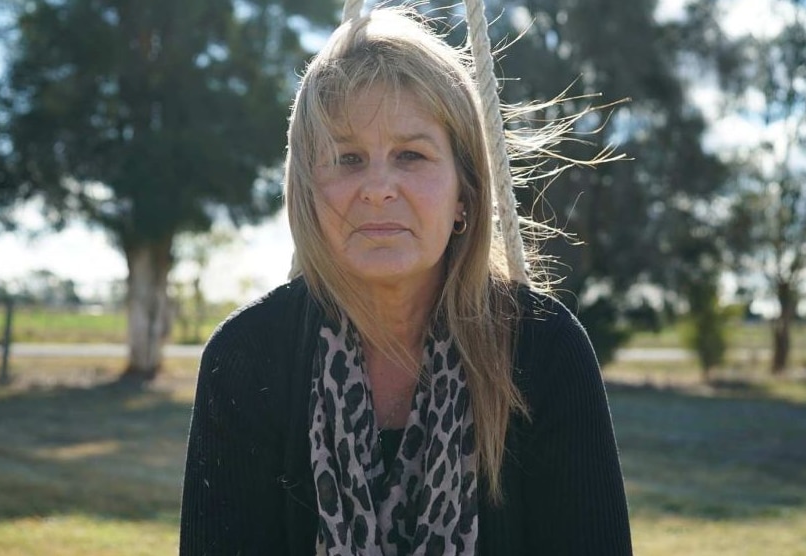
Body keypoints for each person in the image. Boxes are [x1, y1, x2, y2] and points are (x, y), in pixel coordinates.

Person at [179, 7, 632, 555]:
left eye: (411, 155)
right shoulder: (248, 357)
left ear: (464, 193)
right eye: (347, 158)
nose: (378, 188)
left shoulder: (542, 350)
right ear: (307, 191)